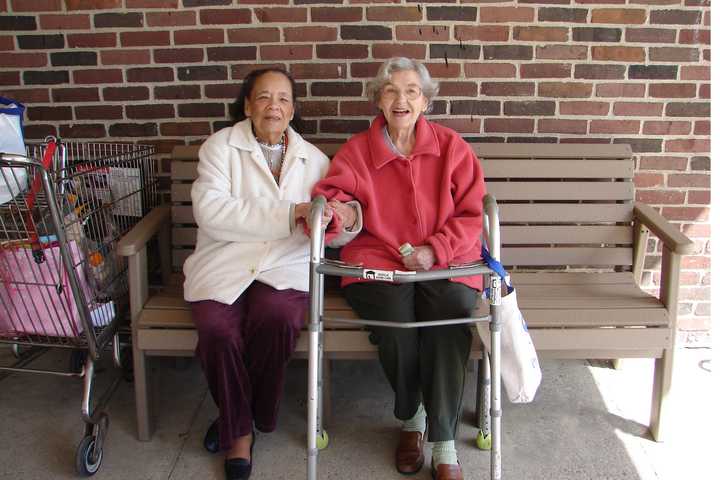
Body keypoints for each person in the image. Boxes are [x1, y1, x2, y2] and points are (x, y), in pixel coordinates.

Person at [313, 57, 487, 480]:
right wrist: (343, 216)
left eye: (411, 91)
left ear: (425, 101)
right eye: (390, 90)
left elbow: (471, 214)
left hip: (446, 261)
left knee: (450, 318)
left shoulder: (452, 148)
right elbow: (333, 202)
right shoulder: (357, 151)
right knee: (395, 325)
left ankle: (444, 444)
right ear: (378, 100)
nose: (401, 99)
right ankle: (413, 418)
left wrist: (435, 249)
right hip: (375, 260)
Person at [183, 68, 335, 480]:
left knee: (279, 318)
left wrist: (343, 219)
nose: (274, 106)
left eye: (283, 99)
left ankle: (239, 418)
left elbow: (333, 223)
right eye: (264, 98)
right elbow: (211, 212)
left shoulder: (314, 159)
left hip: (283, 265)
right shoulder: (220, 148)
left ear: (293, 109)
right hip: (224, 262)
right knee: (217, 330)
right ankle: (243, 431)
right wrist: (289, 214)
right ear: (247, 105)